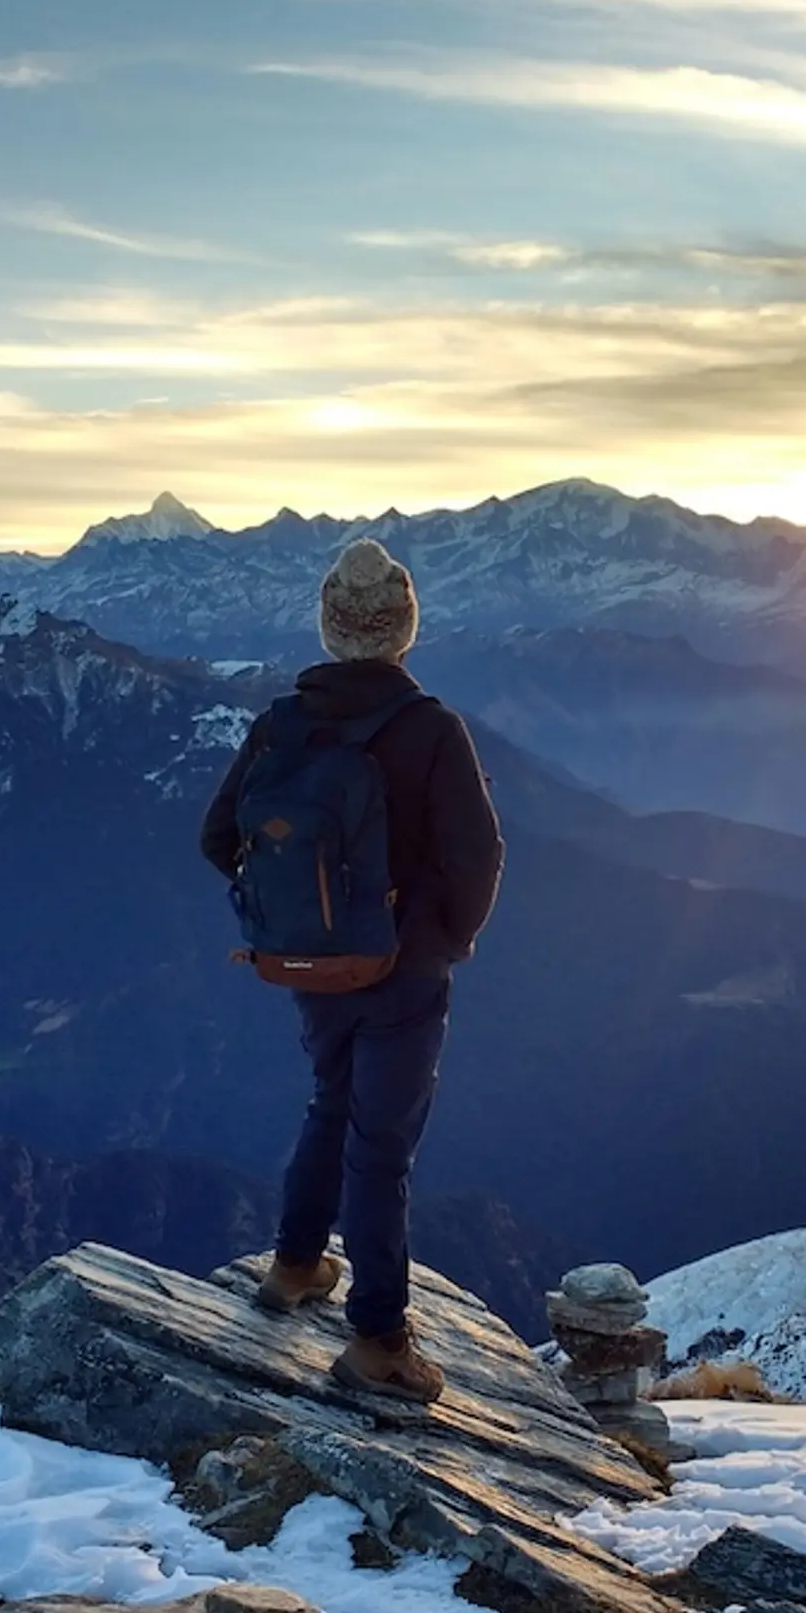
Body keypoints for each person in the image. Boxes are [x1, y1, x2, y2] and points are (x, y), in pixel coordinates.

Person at [199, 539, 503, 1403]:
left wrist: (290, 914)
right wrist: (443, 938)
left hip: (307, 962)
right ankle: (377, 1342)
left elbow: (218, 839)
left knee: (330, 1100)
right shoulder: (432, 730)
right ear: (405, 629)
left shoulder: (281, 724)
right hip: (402, 972)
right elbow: (478, 860)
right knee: (383, 1149)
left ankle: (295, 1266)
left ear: (329, 630)